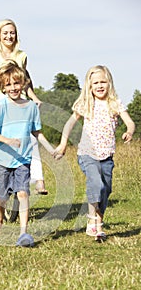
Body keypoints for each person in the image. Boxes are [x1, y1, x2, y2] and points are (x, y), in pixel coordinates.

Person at [53, 65, 135, 241]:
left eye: (103, 82)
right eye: (95, 83)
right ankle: (92, 220)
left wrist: (129, 130)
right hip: (87, 153)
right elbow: (69, 124)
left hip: (107, 156)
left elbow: (130, 122)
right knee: (96, 183)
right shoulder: (86, 104)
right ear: (89, 86)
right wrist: (63, 144)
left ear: (109, 83)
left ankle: (99, 220)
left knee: (106, 189)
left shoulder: (114, 103)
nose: (99, 85)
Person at [0, 19, 48, 195]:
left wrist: (34, 97)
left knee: (30, 137)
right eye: (5, 33)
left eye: (12, 32)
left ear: (16, 35)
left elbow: (25, 81)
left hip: (18, 100)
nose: (9, 36)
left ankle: (38, 179)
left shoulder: (21, 55)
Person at [0, 61, 54, 247]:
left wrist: (51, 149)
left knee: (23, 193)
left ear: (23, 83)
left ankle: (23, 233)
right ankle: (0, 213)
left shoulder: (31, 107)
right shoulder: (1, 106)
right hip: (3, 159)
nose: (13, 88)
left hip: (23, 160)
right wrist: (8, 141)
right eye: (8, 84)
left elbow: (37, 132)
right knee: (3, 195)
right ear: (3, 86)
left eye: (16, 83)